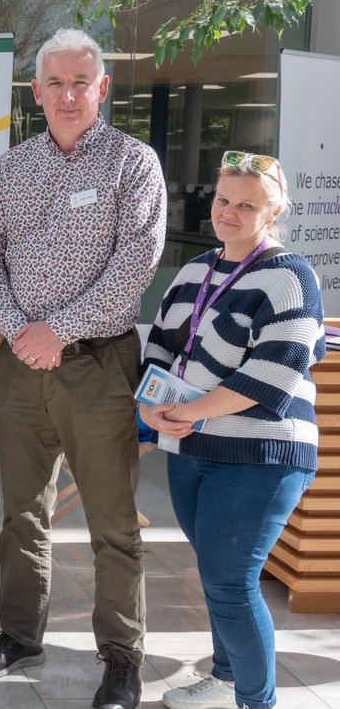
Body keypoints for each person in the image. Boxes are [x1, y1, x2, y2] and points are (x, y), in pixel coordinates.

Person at [0, 27, 166, 709]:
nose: (68, 94)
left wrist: (61, 329)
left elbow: (135, 262)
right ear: (36, 93)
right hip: (22, 363)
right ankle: (19, 635)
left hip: (99, 363)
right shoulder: (13, 166)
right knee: (21, 513)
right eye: (55, 83)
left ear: (102, 88)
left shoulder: (132, 164)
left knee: (112, 523)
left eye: (81, 82)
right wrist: (25, 332)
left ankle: (121, 657)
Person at [139, 152, 323, 709]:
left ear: (275, 211)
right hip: (190, 447)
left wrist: (191, 412)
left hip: (261, 455)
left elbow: (275, 371)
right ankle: (224, 679)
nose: (230, 213)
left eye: (247, 205)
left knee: (232, 582)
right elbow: (160, 348)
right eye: (223, 200)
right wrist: (149, 408)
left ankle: (256, 701)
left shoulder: (291, 276)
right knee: (219, 576)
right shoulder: (196, 270)